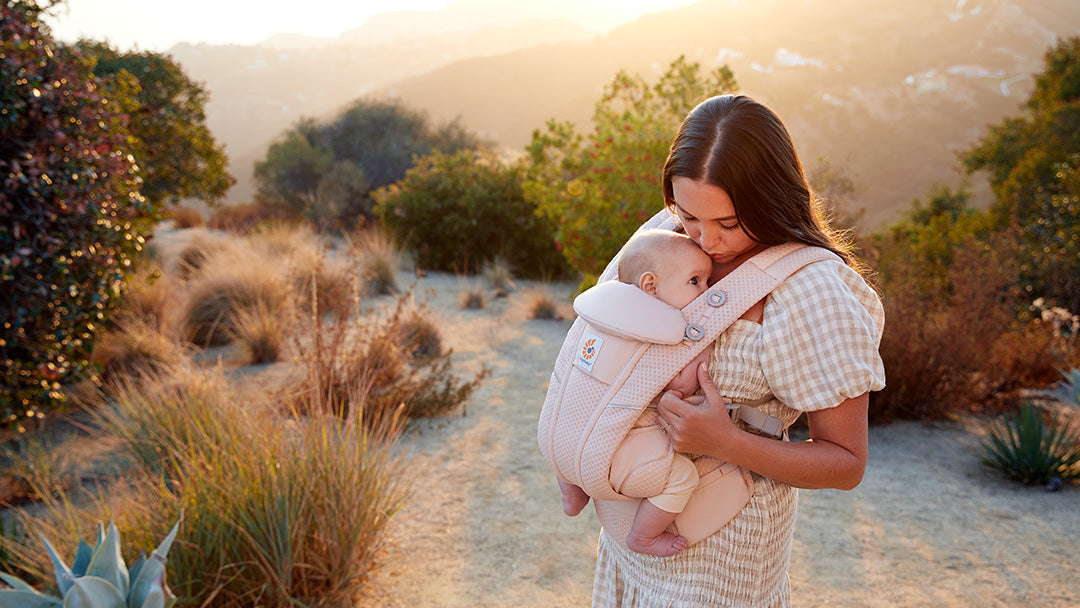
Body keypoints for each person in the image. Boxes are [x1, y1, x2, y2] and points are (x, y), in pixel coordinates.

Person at [587, 94, 886, 607]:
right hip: (632, 536)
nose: (706, 241)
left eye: (728, 223)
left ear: (771, 199)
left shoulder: (810, 289)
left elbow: (846, 463)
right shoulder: (662, 235)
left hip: (722, 563)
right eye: (689, 216)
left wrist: (726, 442)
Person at [556, 228, 715, 557]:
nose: (707, 289)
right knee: (682, 477)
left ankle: (571, 493)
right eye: (696, 281)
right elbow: (681, 386)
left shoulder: (600, 313)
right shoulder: (663, 331)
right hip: (609, 457)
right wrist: (702, 351)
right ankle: (643, 536)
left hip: (556, 440)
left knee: (569, 432)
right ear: (650, 286)